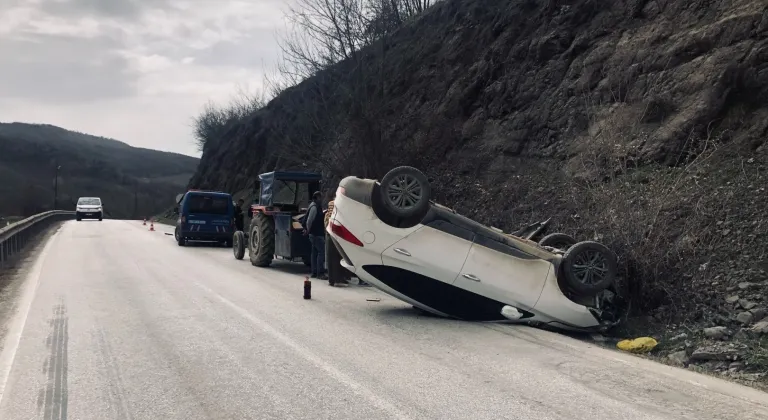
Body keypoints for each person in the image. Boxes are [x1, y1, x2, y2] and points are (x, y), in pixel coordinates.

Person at [304, 191, 327, 279]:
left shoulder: (312, 205)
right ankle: (320, 272)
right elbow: (309, 220)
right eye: (321, 197)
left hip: (313, 234)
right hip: (316, 234)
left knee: (314, 253)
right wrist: (308, 230)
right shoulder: (314, 207)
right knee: (321, 252)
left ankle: (314, 272)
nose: (322, 199)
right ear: (317, 197)